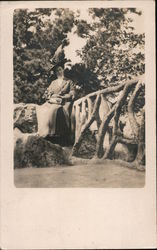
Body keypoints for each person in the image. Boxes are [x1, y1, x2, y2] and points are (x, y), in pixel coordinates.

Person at [36, 64, 77, 146]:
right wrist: (49, 96)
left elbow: (72, 93)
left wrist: (63, 97)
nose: (59, 72)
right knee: (43, 109)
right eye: (57, 71)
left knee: (57, 111)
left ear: (63, 70)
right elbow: (47, 93)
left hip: (64, 102)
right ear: (55, 72)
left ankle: (58, 135)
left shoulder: (69, 81)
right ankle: (45, 132)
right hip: (53, 101)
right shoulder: (53, 82)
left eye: (60, 70)